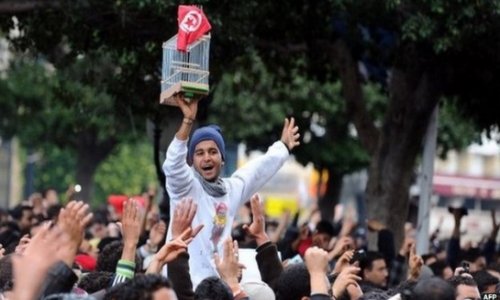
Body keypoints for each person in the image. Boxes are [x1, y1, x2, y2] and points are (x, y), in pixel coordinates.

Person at [163, 95, 300, 286]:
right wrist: (187, 121)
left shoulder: (231, 189)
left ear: (222, 159)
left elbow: (258, 170)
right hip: (179, 286)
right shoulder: (185, 186)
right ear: (192, 162)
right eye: (199, 153)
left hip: (217, 287)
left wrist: (283, 147)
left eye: (213, 151)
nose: (206, 158)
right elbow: (172, 165)